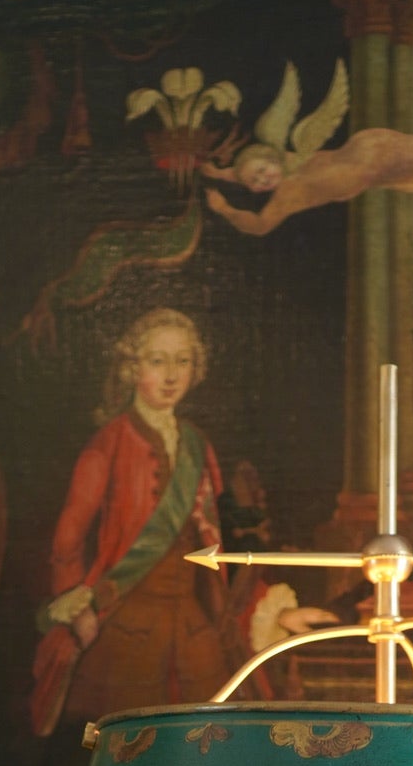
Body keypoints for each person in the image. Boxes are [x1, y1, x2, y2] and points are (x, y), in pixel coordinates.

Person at [30, 307, 328, 734]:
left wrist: (268, 609)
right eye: (157, 361)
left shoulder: (196, 444)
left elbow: (215, 544)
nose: (171, 375)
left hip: (192, 627)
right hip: (126, 624)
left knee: (208, 740)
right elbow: (68, 539)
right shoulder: (109, 443)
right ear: (132, 368)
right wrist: (78, 608)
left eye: (182, 361)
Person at [204, 82, 413, 238]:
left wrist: (226, 209)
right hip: (371, 166)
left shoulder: (289, 180)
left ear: (272, 160)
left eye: (262, 170)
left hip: (372, 155)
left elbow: (259, 225)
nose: (263, 179)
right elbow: (253, 208)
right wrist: (219, 178)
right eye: (255, 182)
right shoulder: (288, 178)